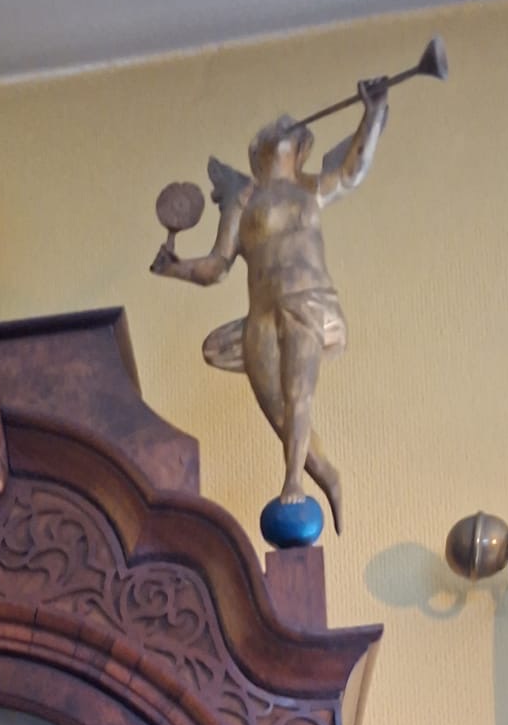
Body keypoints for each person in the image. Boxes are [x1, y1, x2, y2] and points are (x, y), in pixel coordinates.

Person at [151, 80, 390, 533]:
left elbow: (353, 169)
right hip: (261, 313)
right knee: (279, 410)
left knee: (299, 394)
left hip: (308, 301)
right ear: (259, 151)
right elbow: (217, 266)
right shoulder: (243, 200)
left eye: (288, 131)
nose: (279, 133)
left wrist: (373, 112)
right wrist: (174, 268)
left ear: (299, 148)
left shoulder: (311, 187)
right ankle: (327, 475)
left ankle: (293, 480)